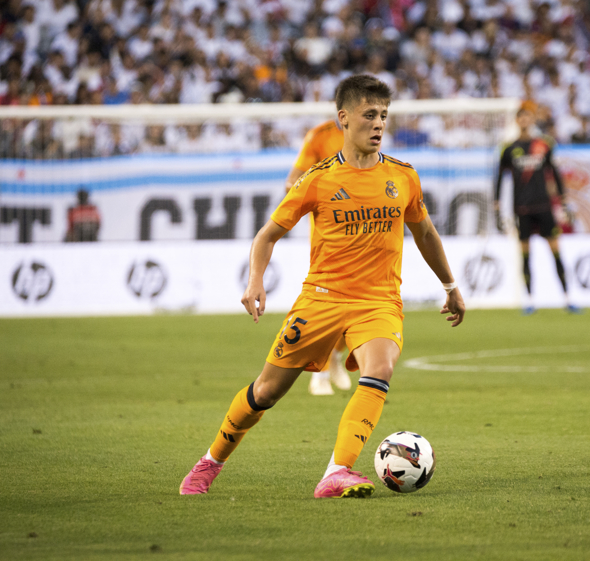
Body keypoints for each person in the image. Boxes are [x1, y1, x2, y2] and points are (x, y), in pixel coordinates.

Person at [180, 75, 466, 499]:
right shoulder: (318, 179)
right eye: (369, 115)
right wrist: (255, 281)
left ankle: (337, 471)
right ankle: (210, 462)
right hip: (321, 300)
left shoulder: (404, 176)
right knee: (266, 391)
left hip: (378, 301)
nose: (378, 124)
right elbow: (267, 235)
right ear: (343, 118)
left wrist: (450, 284)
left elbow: (424, 232)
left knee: (380, 368)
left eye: (383, 115)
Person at [284, 116, 350, 396]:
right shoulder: (320, 136)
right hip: (329, 238)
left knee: (355, 307)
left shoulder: (371, 136)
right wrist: (327, 196)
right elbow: (292, 183)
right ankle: (319, 374)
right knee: (329, 305)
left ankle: (335, 357)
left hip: (364, 236)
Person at [493, 106, 580, 315]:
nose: (524, 121)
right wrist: (497, 203)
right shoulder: (508, 148)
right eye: (521, 117)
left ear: (532, 120)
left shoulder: (544, 144)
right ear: (516, 121)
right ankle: (530, 300)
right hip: (521, 209)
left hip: (544, 206)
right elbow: (499, 177)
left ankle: (567, 298)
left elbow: (554, 172)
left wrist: (563, 199)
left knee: (556, 252)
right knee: (525, 255)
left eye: (527, 117)